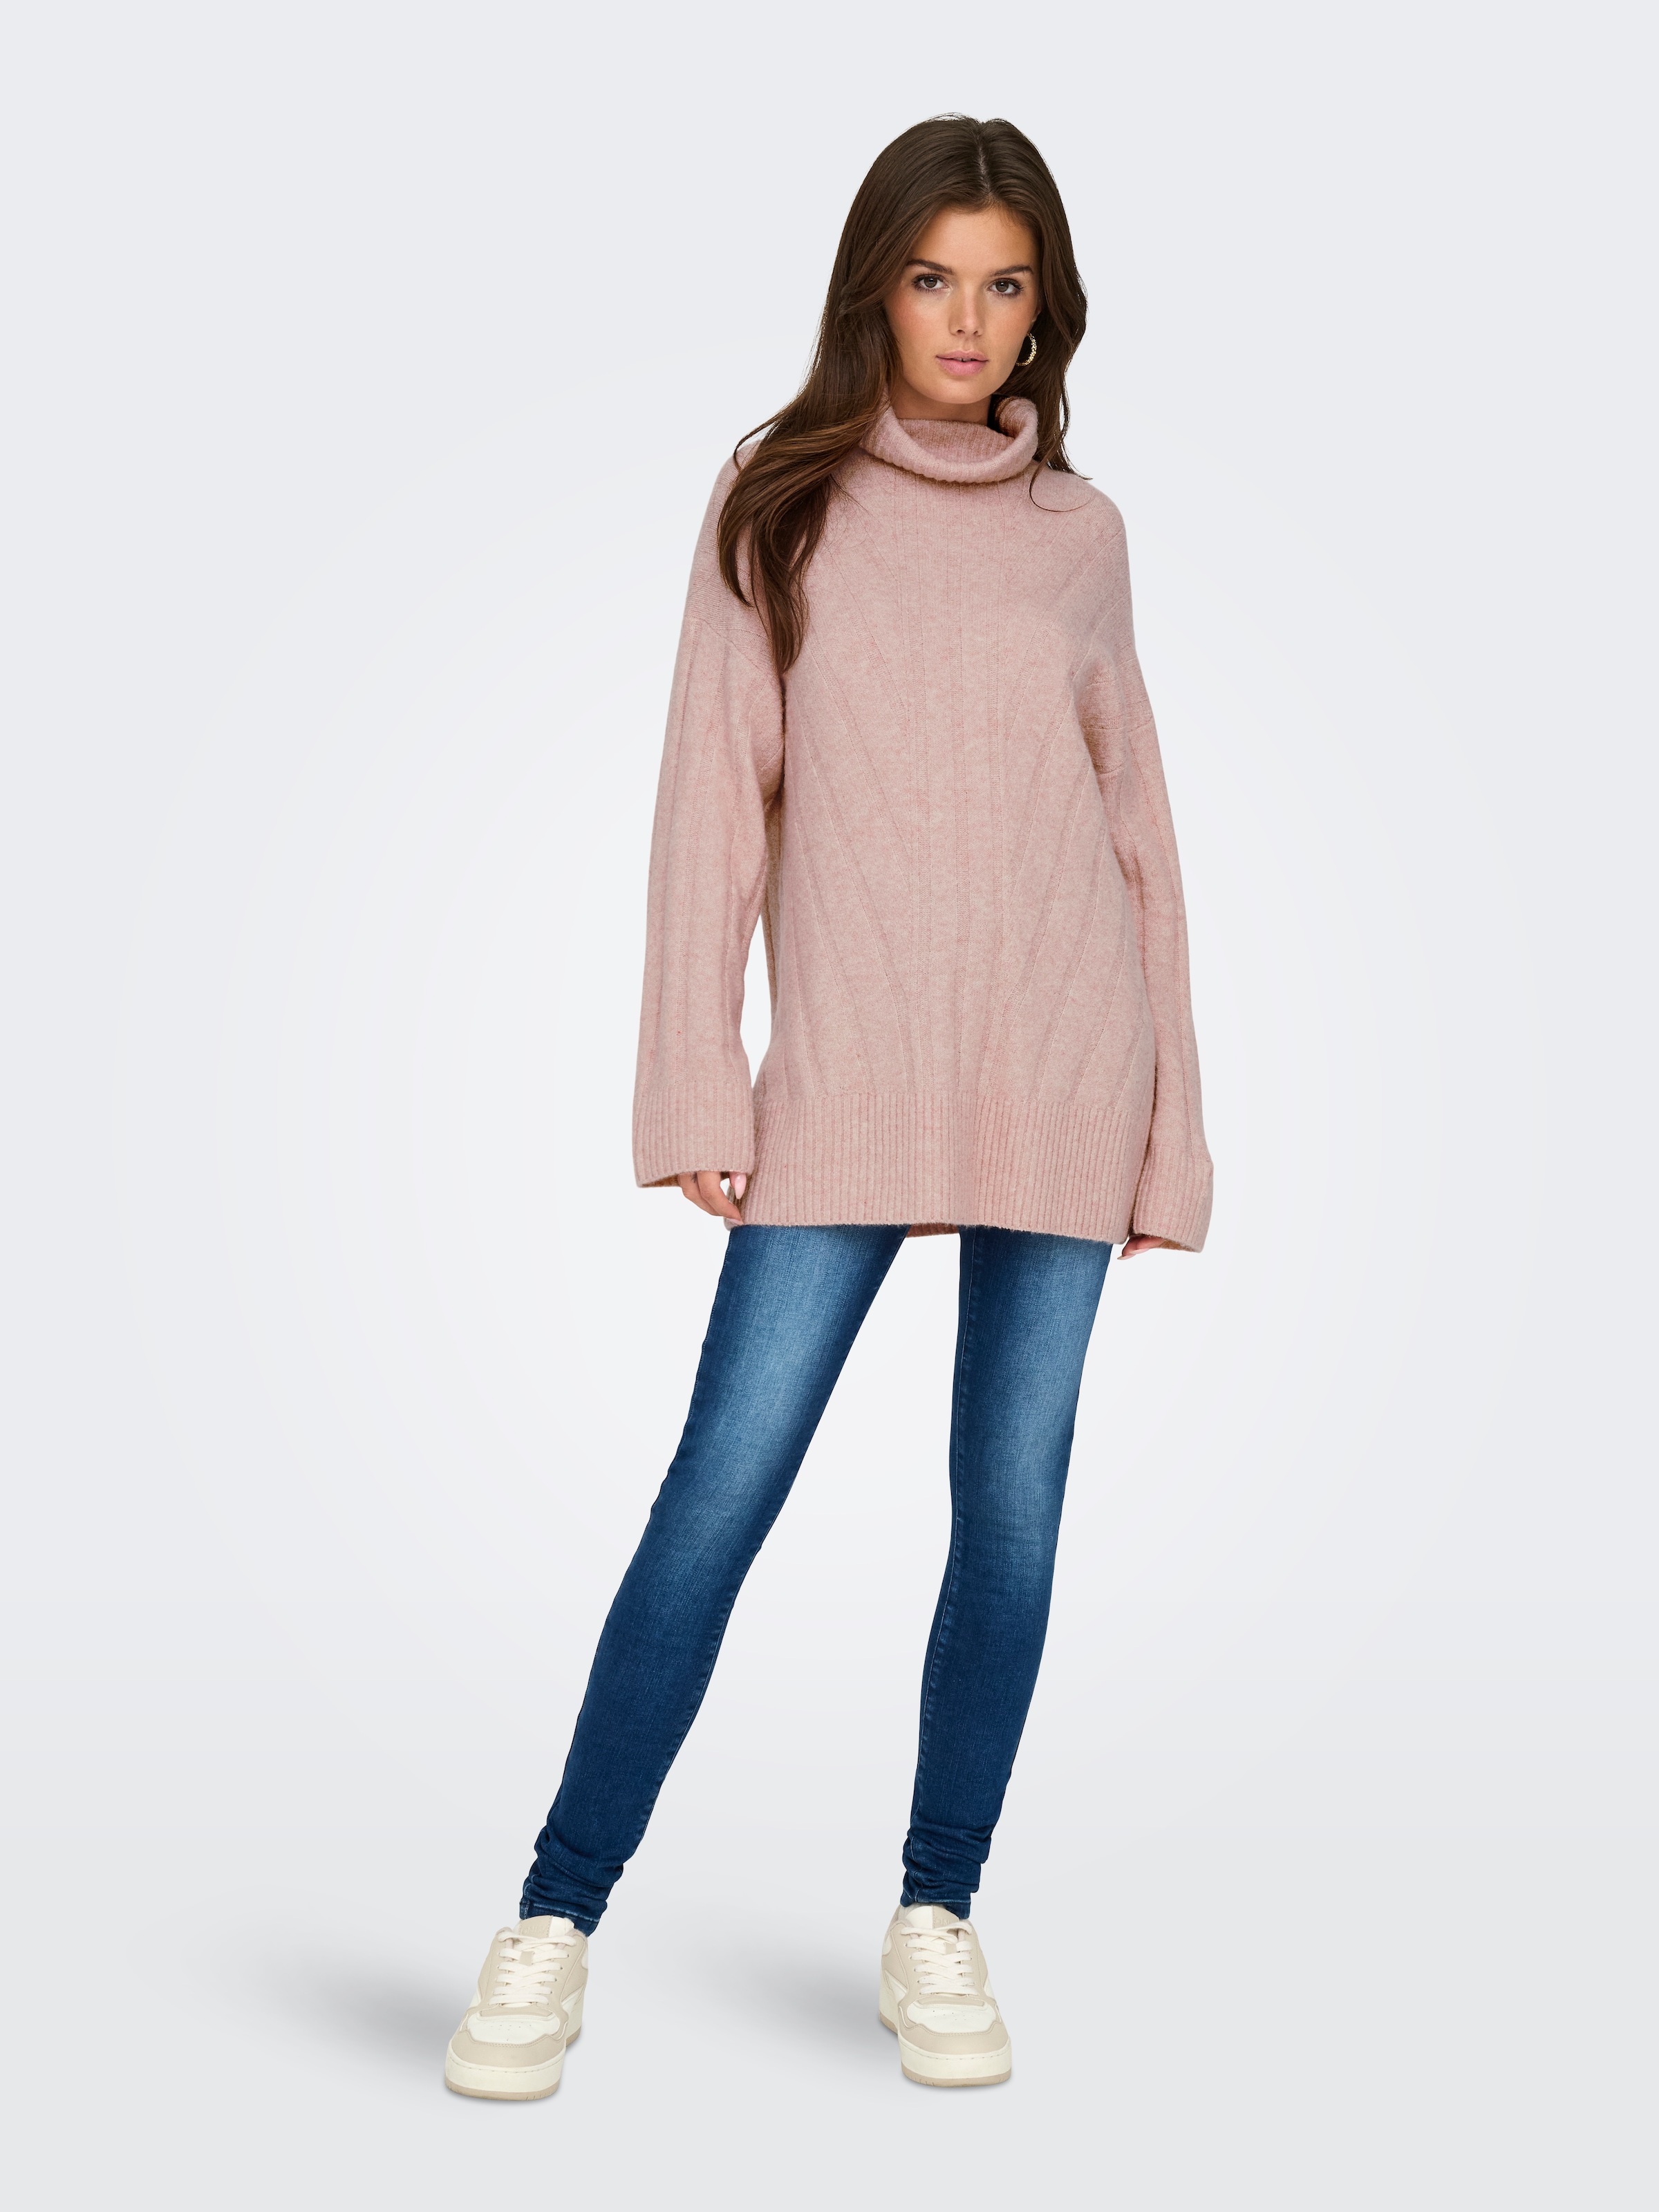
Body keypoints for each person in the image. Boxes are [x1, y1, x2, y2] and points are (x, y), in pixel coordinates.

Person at [444, 112, 1212, 2101]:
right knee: (721, 1489)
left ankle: (937, 1911)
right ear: (876, 286)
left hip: (1066, 1065)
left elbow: (1140, 836)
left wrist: (1178, 1125)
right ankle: (555, 1914)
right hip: (847, 1077)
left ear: (1046, 311)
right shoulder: (778, 501)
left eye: (1006, 285)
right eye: (935, 277)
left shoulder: (1085, 535)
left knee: (1011, 1515)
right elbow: (714, 798)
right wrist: (695, 1070)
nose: (968, 319)